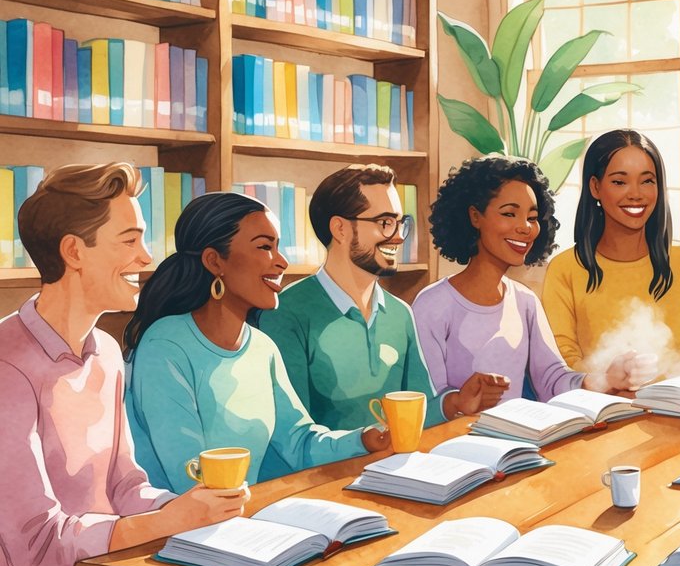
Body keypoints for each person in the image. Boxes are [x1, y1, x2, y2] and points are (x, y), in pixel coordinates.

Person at [1, 164, 247, 566]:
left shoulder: (107, 353)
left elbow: (124, 488)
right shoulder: (6, 364)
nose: (147, 257)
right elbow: (37, 545)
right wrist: (168, 522)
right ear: (74, 252)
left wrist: (188, 508)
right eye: (129, 239)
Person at [124, 192, 390, 495]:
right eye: (265, 247)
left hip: (243, 518)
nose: (281, 262)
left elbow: (299, 443)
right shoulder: (165, 346)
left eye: (278, 247)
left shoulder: (263, 348)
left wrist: (363, 439)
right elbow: (190, 477)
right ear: (214, 261)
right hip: (187, 530)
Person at [258, 165, 504, 429]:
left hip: (391, 466)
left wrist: (455, 402)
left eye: (401, 224)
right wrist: (367, 442)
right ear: (340, 229)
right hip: (326, 470)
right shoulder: (286, 313)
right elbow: (293, 435)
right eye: (385, 223)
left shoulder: (400, 314)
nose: (398, 237)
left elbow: (417, 408)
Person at [412, 156, 653, 405]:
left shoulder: (525, 301)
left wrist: (606, 379)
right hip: (456, 441)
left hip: (517, 439)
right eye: (509, 214)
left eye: (533, 217)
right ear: (475, 216)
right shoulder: (432, 305)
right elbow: (423, 400)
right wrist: (460, 400)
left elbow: (551, 379)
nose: (525, 227)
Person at [542, 130, 680, 376]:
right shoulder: (565, 268)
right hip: (597, 406)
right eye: (619, 182)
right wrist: (608, 381)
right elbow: (563, 359)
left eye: (647, 181)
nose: (636, 194)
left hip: (674, 406)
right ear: (595, 187)